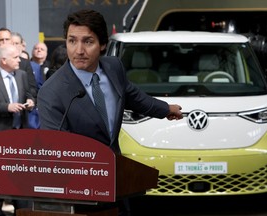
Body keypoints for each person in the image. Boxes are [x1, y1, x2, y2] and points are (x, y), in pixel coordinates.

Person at [37, 9, 183, 215]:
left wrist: (165, 109)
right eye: (72, 41)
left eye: (87, 42)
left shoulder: (113, 67)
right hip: (81, 194)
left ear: (103, 44)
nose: (78, 50)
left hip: (119, 182)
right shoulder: (51, 92)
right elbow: (59, 153)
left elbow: (133, 96)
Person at [0, 44, 35, 215]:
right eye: (16, 57)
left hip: (20, 135)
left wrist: (31, 101)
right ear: (3, 60)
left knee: (21, 179)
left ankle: (23, 211)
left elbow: (29, 93)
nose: (20, 60)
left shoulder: (22, 75)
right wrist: (6, 107)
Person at [0, 28, 37, 101]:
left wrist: (29, 100)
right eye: (1, 40)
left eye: (7, 39)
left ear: (11, 41)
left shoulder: (23, 63)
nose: (4, 42)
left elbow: (32, 88)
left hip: (20, 108)